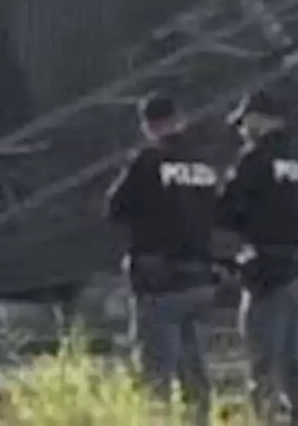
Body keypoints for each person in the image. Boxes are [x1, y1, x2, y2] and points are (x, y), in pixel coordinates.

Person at [105, 92, 218, 425]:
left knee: (157, 375)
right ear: (180, 118)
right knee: (194, 369)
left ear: (148, 126)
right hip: (200, 279)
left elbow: (114, 209)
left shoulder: (147, 161)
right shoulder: (204, 163)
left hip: (160, 283)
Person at [218, 91, 298, 426]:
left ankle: (262, 420)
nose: (242, 130)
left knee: (263, 362)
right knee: (292, 362)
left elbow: (226, 209)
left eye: (246, 122)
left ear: (262, 119)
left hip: (267, 274)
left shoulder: (255, 159)